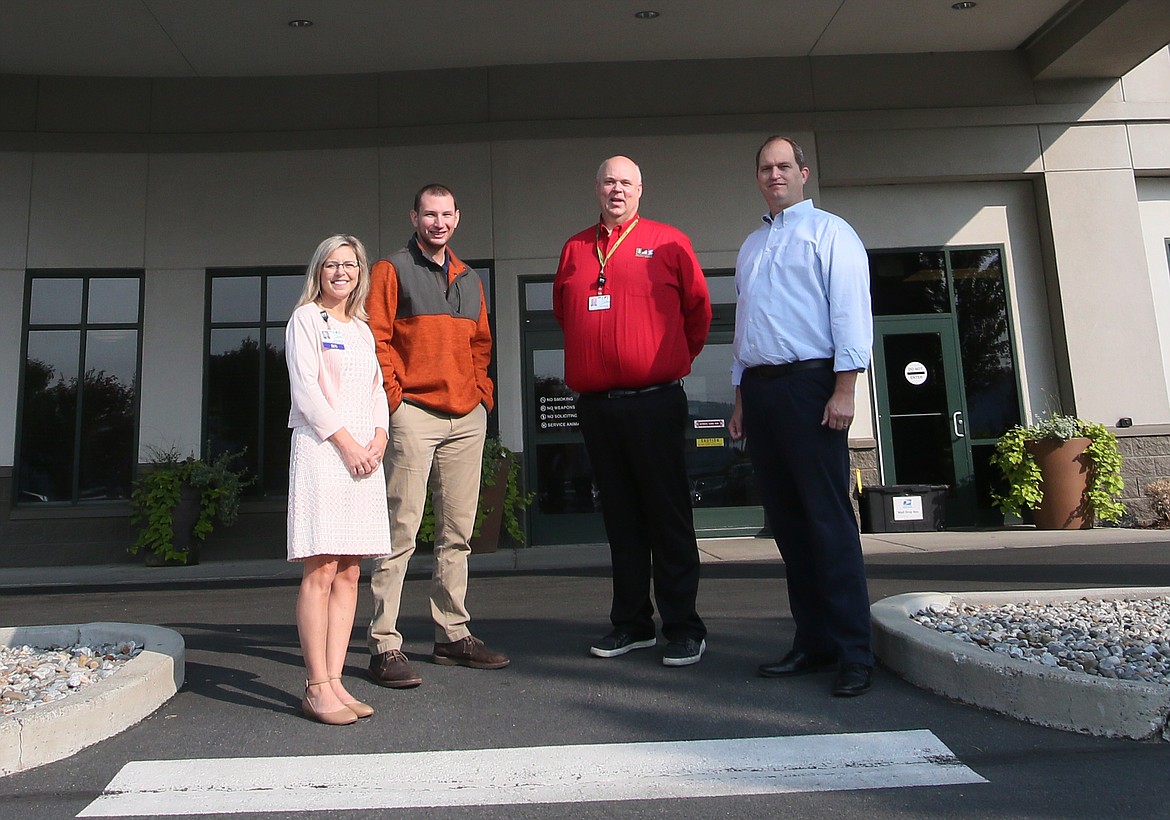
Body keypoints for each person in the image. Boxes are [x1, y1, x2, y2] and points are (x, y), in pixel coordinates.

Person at [729, 135, 876, 697]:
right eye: (765, 168)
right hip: (763, 394)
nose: (774, 175)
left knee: (827, 523)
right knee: (789, 527)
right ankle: (813, 642)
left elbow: (850, 313)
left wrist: (845, 390)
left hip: (812, 388)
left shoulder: (831, 233)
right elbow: (746, 331)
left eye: (783, 166)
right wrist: (740, 398)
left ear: (803, 173)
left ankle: (853, 652)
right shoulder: (750, 246)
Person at [554, 156, 712, 667]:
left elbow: (698, 313)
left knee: (667, 515)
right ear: (596, 189)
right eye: (608, 182)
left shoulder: (669, 242)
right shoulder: (575, 249)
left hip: (655, 402)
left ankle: (684, 627)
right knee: (620, 518)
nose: (616, 190)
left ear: (640, 190)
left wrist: (667, 363)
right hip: (598, 407)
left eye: (626, 182)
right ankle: (631, 623)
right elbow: (564, 313)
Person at [365, 183, 508, 687]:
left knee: (458, 534)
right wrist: (395, 398)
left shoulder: (469, 279)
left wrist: (481, 393)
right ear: (415, 216)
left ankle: (452, 635)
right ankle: (384, 643)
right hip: (415, 414)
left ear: (457, 218)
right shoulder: (391, 270)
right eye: (430, 214)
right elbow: (376, 337)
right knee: (400, 530)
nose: (438, 223)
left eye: (446, 214)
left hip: (466, 416)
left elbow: (482, 344)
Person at [286, 234, 391, 725]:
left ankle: (335, 680)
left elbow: (376, 390)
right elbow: (306, 392)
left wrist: (379, 436)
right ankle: (315, 685)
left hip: (363, 458)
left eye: (349, 264)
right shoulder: (306, 319)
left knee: (350, 571)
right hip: (325, 452)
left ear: (359, 272)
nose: (340, 273)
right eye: (331, 264)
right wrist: (348, 444)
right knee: (322, 568)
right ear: (318, 271)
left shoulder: (363, 329)